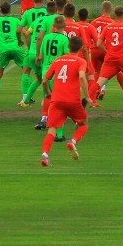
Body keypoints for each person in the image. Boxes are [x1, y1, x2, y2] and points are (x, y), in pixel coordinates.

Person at [40, 36, 91, 167]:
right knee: (84, 124)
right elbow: (81, 77)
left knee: (52, 130)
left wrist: (48, 93)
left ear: (68, 46)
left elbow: (45, 81)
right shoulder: (81, 61)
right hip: (73, 100)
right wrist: (87, 96)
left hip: (56, 100)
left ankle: (45, 155)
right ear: (80, 48)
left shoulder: (58, 60)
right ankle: (73, 142)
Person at [36, 15, 71, 135]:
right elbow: (66, 56)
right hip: (57, 73)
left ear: (53, 26)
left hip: (46, 71)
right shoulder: (64, 39)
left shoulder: (46, 38)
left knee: (47, 96)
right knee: (59, 101)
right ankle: (58, 132)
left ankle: (43, 119)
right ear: (64, 26)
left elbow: (41, 56)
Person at [0, 1, 25, 103]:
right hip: (16, 47)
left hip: (3, 49)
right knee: (26, 71)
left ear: (0, 10)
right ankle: (26, 96)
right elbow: (24, 31)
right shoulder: (15, 20)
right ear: (10, 10)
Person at [90, 1, 123, 99]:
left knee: (97, 71)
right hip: (107, 50)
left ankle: (96, 92)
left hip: (95, 49)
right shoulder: (112, 23)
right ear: (111, 10)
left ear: (102, 9)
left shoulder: (94, 21)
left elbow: (91, 36)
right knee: (117, 70)